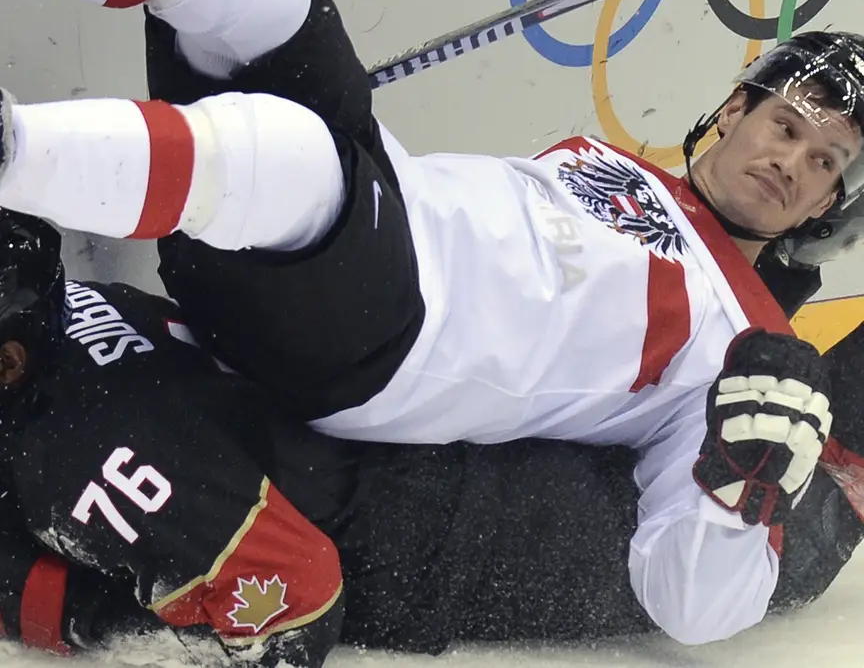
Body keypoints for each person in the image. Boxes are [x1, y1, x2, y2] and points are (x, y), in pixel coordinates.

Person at [0, 0, 851, 644]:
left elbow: (688, 605)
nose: (792, 162)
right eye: (786, 127)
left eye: (823, 164)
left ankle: (15, 152)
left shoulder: (752, 353)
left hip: (386, 342)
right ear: (734, 110)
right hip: (374, 206)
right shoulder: (618, 165)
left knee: (288, 159)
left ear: (824, 207)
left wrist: (741, 492)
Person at [0, 205, 863, 668]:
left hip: (462, 541)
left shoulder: (72, 455)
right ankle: (778, 306)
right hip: (445, 435)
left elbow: (291, 607)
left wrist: (121, 633)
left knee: (795, 531)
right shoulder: (75, 309)